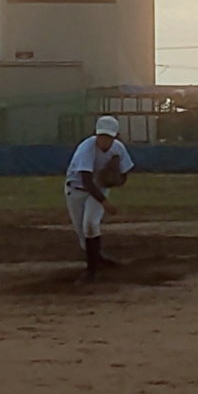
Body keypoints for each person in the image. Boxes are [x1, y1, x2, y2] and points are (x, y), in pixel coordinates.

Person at [65, 115, 134, 280]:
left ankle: (91, 272)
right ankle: (98, 258)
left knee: (90, 224)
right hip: (75, 190)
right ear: (96, 134)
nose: (104, 140)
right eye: (101, 135)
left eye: (108, 137)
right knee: (83, 235)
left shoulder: (118, 148)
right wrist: (105, 203)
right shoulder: (86, 148)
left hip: (99, 190)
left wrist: (117, 180)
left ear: (115, 137)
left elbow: (125, 173)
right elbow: (86, 180)